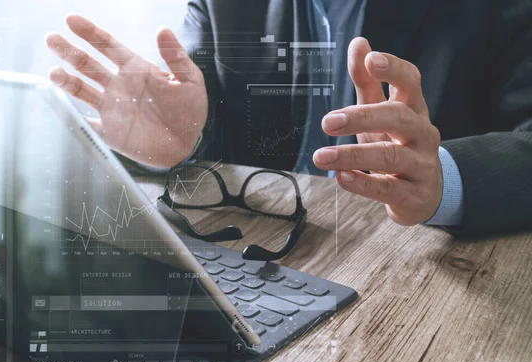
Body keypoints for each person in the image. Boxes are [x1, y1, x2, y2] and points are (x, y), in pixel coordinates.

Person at [44, 0, 532, 235]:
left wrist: (442, 182)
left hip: (426, 270)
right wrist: (182, 145)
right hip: (273, 251)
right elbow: (199, 118)